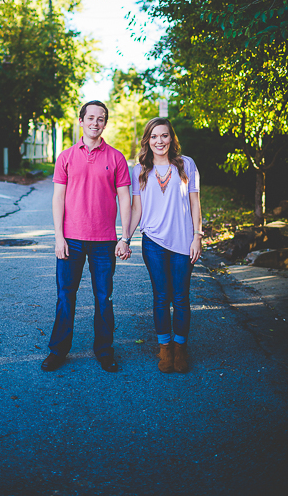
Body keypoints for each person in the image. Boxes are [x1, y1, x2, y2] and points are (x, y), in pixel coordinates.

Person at [41, 100, 132, 373]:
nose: (95, 123)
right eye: (90, 118)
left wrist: (125, 237)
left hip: (105, 242)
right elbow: (58, 198)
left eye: (100, 119)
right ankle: (58, 350)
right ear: (81, 121)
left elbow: (125, 199)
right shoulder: (66, 157)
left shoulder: (116, 158)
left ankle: (104, 351)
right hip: (71, 240)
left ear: (105, 123)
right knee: (65, 296)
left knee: (103, 298)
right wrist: (59, 237)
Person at [124, 117, 202, 374]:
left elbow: (195, 203)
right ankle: (165, 349)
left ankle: (180, 349)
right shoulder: (140, 170)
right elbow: (137, 209)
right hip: (153, 243)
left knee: (181, 297)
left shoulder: (186, 164)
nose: (160, 141)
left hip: (183, 242)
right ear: (147, 140)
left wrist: (197, 236)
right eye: (154, 136)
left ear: (171, 138)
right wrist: (125, 238)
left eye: (164, 135)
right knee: (161, 297)